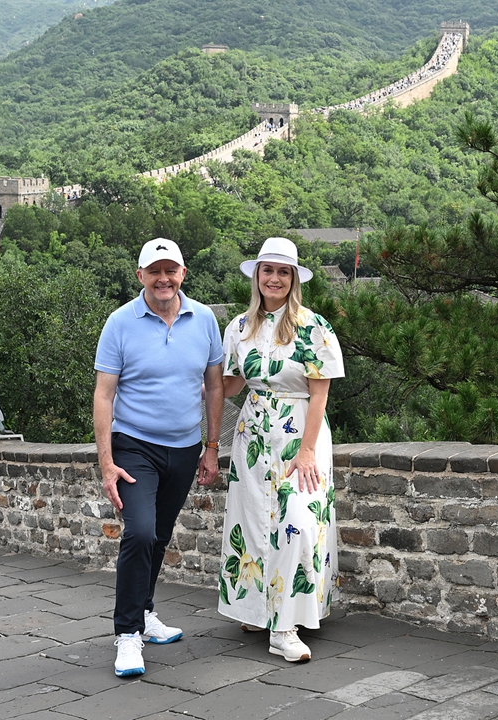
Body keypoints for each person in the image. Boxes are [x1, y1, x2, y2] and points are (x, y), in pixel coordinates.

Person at [93, 238, 224, 678]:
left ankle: (146, 614)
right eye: (155, 271)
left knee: (161, 535)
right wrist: (107, 462)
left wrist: (211, 447)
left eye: (171, 270)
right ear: (140, 276)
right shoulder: (120, 323)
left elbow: (215, 386)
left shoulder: (203, 318)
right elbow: (104, 393)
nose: (163, 278)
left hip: (185, 447)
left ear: (183, 274)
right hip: (135, 444)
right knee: (140, 533)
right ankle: (127, 634)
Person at [218, 237, 344, 663]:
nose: (274, 278)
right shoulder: (238, 327)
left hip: (300, 436)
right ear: (257, 276)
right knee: (252, 521)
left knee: (299, 522)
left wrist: (307, 451)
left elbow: (320, 394)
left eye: (283, 272)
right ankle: (256, 609)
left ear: (293, 279)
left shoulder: (313, 326)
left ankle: (286, 625)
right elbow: (232, 383)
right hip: (252, 435)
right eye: (267, 270)